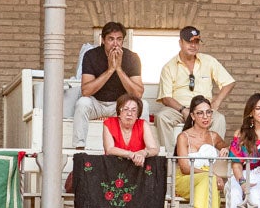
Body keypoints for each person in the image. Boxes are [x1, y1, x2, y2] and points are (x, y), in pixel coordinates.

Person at [154, 26, 236, 157]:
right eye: (189, 42)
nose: (193, 45)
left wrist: (217, 101)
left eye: (196, 42)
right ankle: (171, 158)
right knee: (162, 117)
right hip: (179, 109)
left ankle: (211, 157)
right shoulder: (169, 67)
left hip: (204, 108)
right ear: (180, 42)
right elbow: (166, 98)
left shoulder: (209, 61)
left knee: (219, 118)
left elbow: (229, 82)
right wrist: (183, 110)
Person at [74, 21, 144, 149]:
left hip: (120, 106)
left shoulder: (132, 57)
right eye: (111, 39)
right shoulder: (91, 55)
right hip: (97, 104)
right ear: (103, 40)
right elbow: (86, 91)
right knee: (82, 103)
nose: (115, 43)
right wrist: (110, 70)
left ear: (123, 41)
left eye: (119, 39)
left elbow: (138, 93)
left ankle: (138, 148)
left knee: (144, 105)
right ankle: (79, 147)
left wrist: (118, 69)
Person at [174, 95, 229, 208]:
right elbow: (184, 167)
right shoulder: (183, 137)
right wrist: (212, 174)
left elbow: (228, 147)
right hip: (186, 180)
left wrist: (226, 149)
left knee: (206, 189)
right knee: (209, 182)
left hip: (205, 182)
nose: (205, 117)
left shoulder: (214, 136)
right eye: (200, 113)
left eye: (208, 112)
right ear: (192, 115)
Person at [102, 94, 158, 167]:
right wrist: (131, 154)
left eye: (134, 110)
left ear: (138, 114)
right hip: (113, 166)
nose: (129, 113)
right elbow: (109, 149)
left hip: (136, 166)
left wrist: (143, 153)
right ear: (119, 112)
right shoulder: (109, 123)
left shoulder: (143, 124)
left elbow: (154, 149)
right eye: (125, 109)